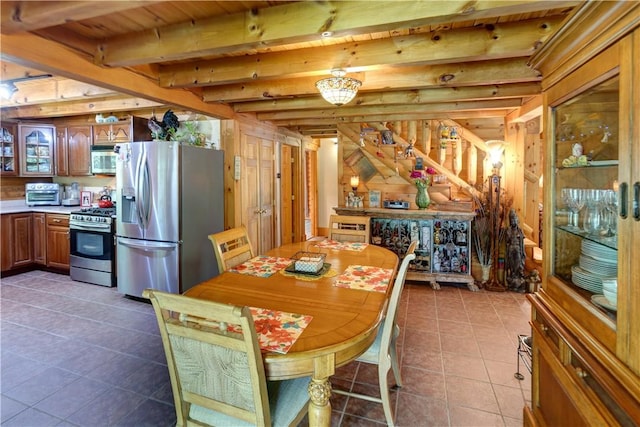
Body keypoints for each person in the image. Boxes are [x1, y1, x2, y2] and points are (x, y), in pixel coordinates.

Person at [505, 209, 526, 292]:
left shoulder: (519, 231)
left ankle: (517, 276)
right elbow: (507, 241)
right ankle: (513, 275)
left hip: (517, 248)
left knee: (517, 261)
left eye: (514, 219)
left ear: (517, 220)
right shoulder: (509, 230)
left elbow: (521, 243)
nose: (513, 221)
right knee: (511, 263)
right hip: (511, 248)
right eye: (512, 219)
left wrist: (522, 252)